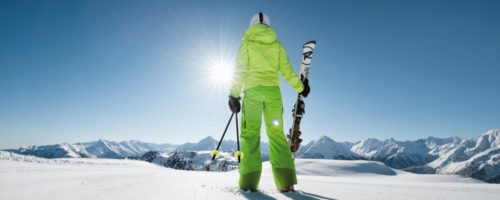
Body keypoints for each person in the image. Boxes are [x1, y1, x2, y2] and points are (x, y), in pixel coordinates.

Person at [228, 12, 310, 192]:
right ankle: (286, 183)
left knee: (250, 136)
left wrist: (234, 95)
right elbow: (287, 71)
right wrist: (300, 88)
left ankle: (249, 183)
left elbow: (239, 71)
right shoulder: (277, 45)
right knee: (277, 136)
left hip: (252, 94)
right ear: (269, 26)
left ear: (252, 26)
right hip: (273, 95)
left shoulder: (247, 44)